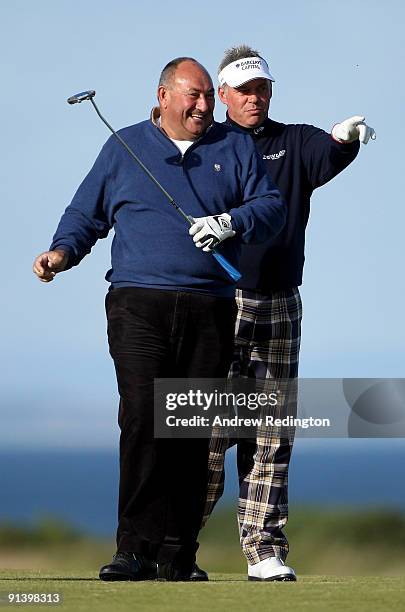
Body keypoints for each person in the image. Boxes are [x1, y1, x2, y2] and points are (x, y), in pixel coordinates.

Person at [33, 57, 286, 582]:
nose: (201, 107)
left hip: (210, 304)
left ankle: (178, 554)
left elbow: (271, 207)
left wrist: (229, 222)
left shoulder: (234, 146)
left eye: (207, 99)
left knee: (191, 430)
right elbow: (87, 214)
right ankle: (134, 550)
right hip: (137, 303)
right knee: (144, 419)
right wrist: (60, 253)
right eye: (192, 96)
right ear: (164, 95)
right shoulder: (123, 146)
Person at [201, 45, 376, 582]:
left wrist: (345, 142)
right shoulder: (207, 145)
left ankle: (264, 550)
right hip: (217, 302)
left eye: (262, 89)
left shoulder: (293, 140)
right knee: (206, 433)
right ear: (223, 95)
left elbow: (326, 156)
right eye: (245, 90)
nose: (255, 99)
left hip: (280, 300)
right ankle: (178, 543)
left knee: (272, 430)